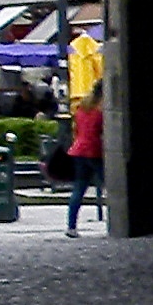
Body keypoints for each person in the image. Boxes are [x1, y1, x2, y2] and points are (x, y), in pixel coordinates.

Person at [63, 88, 106, 235]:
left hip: (78, 150)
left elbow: (77, 130)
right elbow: (102, 133)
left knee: (79, 189)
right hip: (94, 151)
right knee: (111, 187)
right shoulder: (100, 113)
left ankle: (71, 226)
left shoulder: (81, 110)